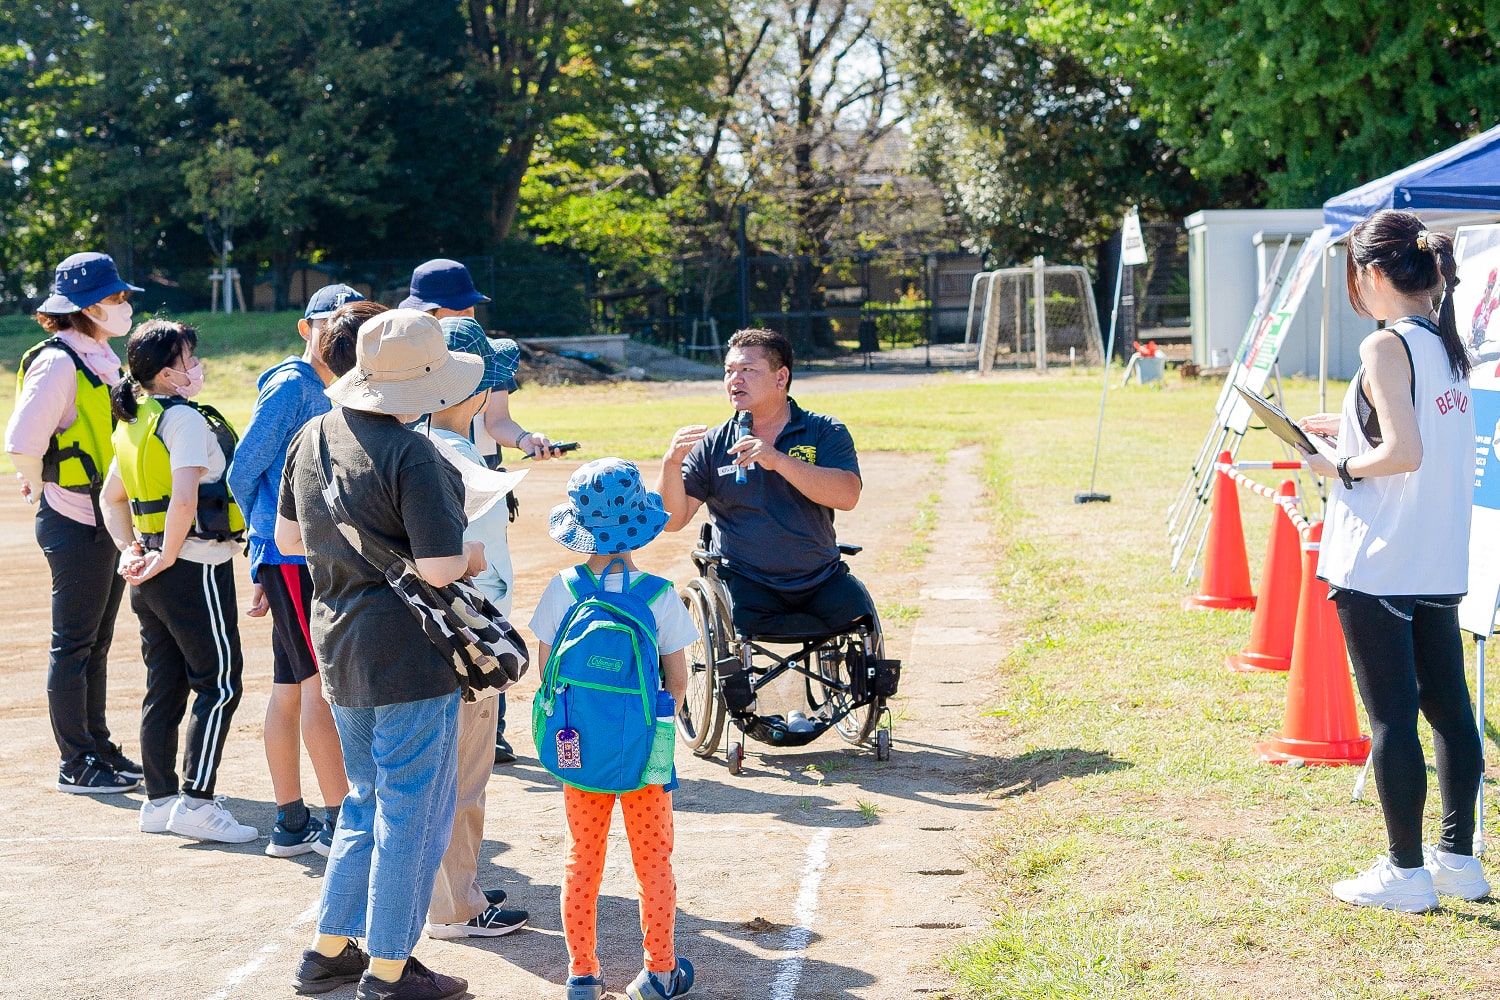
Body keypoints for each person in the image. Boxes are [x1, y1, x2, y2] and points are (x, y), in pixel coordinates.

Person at [280, 309, 485, 1000]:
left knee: (365, 802)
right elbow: (438, 567)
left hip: (338, 643)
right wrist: (473, 555)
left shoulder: (310, 435)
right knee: (408, 814)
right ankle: (390, 968)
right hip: (408, 654)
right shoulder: (414, 455)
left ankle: (330, 949)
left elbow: (284, 535)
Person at [1297, 209, 1487, 912]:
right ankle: (1458, 862)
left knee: (1392, 718)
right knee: (1449, 711)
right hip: (1436, 556)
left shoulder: (1385, 346)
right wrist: (1346, 426)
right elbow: (1416, 435)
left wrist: (1336, 463)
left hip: (1379, 560)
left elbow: (1402, 453)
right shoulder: (1446, 343)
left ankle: (1406, 874)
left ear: (1373, 272)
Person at [529, 459, 697, 1000]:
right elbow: (678, 682)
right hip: (647, 754)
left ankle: (582, 973)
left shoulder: (564, 588)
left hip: (579, 752)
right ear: (639, 529)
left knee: (583, 860)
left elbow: (545, 670)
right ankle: (660, 970)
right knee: (653, 863)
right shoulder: (657, 594)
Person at [99, 319, 256, 843]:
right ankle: (197, 801)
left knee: (164, 684)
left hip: (152, 572)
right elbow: (186, 500)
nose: (198, 366)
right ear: (170, 372)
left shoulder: (133, 417)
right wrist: (165, 556)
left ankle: (161, 798)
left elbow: (112, 498)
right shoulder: (182, 418)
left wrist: (133, 552)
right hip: (192, 566)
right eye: (191, 358)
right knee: (221, 683)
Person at [401, 258, 561, 764]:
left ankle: (490, 722)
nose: (472, 310)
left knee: (488, 590)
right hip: (432, 481)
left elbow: (498, 422)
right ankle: (452, 714)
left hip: (483, 485)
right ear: (429, 310)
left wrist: (527, 440)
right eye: (461, 302)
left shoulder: (483, 356)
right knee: (453, 585)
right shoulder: (411, 359)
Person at [228, 285, 362, 858]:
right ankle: (337, 819)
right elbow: (243, 468)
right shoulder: (292, 386)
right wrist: (261, 541)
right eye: (326, 325)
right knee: (317, 686)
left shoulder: (331, 387)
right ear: (306, 330)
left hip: (295, 556)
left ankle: (290, 820)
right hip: (292, 555)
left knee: (291, 684)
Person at [6, 252, 143, 794]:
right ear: (85, 306)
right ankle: (75, 760)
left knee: (96, 641)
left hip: (104, 517)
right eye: (115, 297)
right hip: (74, 517)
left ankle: (97, 746)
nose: (124, 304)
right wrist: (39, 484)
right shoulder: (60, 360)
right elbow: (22, 440)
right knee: (74, 643)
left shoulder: (101, 355)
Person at [421, 318, 530, 941]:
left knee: (435, 775)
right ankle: (455, 906)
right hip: (461, 642)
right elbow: (468, 572)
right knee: (462, 777)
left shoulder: (412, 442)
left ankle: (444, 891)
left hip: (419, 639)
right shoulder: (453, 457)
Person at [656, 327, 869, 637]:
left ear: (781, 378)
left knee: (859, 618)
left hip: (819, 577)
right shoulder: (713, 444)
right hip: (744, 582)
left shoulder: (824, 431)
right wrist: (671, 463)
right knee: (738, 647)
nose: (734, 380)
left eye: (747, 370)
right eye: (729, 371)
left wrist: (777, 460)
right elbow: (672, 521)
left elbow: (847, 496)